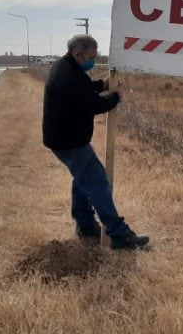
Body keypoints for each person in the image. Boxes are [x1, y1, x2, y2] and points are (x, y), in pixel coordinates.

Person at [43, 35, 149, 250]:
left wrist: (102, 84)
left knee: (83, 181)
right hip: (69, 141)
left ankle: (86, 225)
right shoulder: (68, 75)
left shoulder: (67, 67)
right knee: (98, 182)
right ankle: (119, 235)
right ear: (78, 54)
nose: (94, 60)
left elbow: (83, 89)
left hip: (65, 138)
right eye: (91, 57)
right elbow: (93, 104)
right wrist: (115, 97)